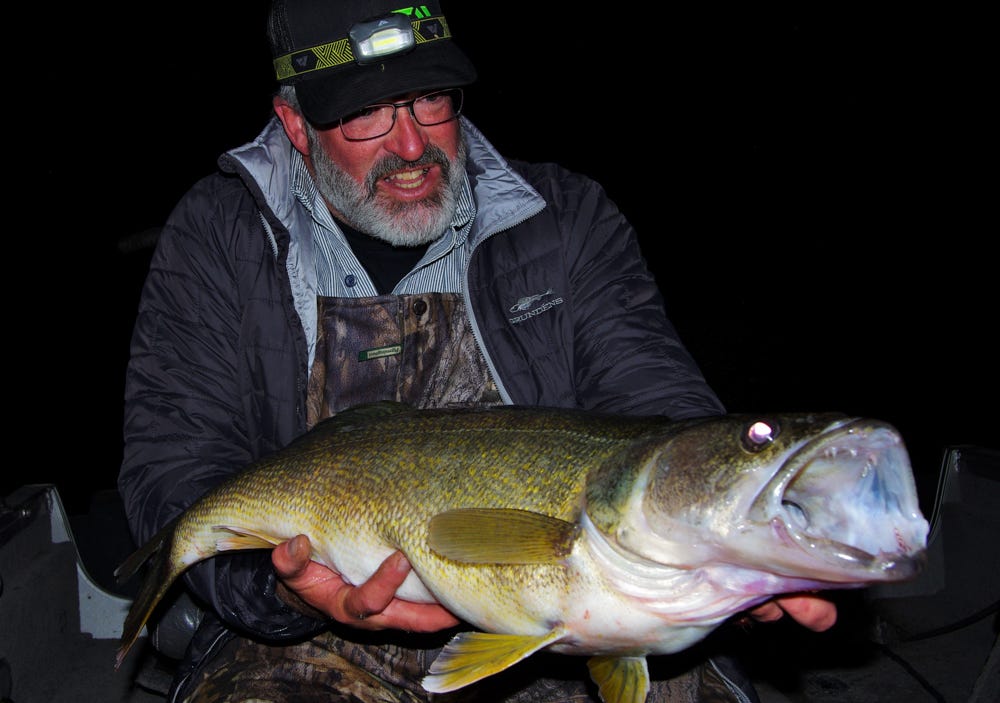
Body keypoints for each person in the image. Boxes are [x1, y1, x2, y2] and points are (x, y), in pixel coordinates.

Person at [118, 1, 837, 701]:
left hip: (570, 614)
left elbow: (658, 409)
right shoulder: (220, 236)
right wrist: (281, 587)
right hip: (305, 635)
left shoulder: (565, 218)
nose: (410, 146)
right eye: (366, 111)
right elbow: (173, 467)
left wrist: (723, 534)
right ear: (296, 125)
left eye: (431, 98)